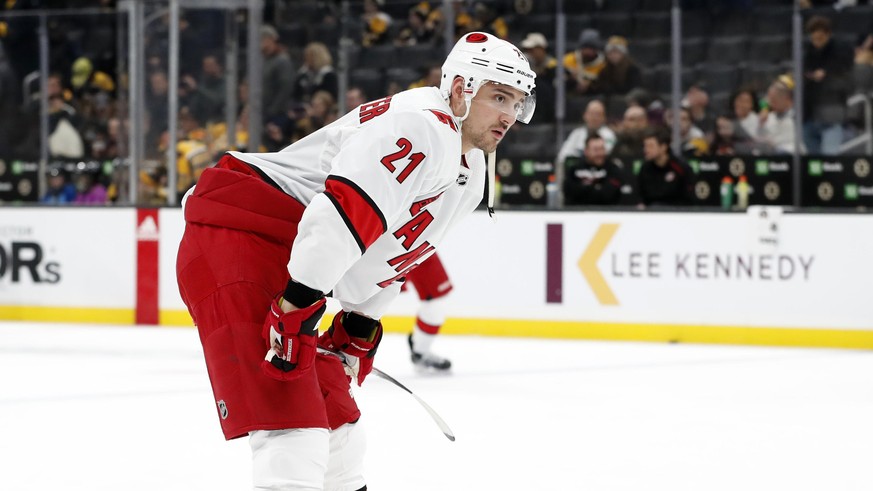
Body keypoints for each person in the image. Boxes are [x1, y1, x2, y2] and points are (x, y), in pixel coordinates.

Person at [175, 32, 535, 491]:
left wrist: (359, 325)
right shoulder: (421, 126)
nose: (510, 114)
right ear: (462, 87)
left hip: (295, 257)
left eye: (518, 102)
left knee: (340, 430)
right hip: (241, 236)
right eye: (499, 96)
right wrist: (297, 306)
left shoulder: (472, 165)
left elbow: (397, 251)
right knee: (293, 431)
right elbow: (338, 217)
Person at [802, 15, 853, 155]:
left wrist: (825, 74)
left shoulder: (841, 51)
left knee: (829, 159)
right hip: (809, 115)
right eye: (814, 38)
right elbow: (804, 74)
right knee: (813, 162)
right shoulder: (808, 53)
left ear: (828, 34)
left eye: (820, 38)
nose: (817, 42)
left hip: (831, 114)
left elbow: (843, 74)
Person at [404, 252, 455, 371]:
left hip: (419, 243)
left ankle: (420, 352)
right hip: (379, 243)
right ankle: (354, 349)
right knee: (366, 294)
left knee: (436, 303)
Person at [638, 127, 694, 207]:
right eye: (645, 146)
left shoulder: (681, 167)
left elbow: (688, 197)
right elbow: (641, 196)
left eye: (650, 146)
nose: (646, 150)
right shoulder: (645, 168)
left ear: (663, 147)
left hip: (677, 213)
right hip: (651, 213)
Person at [563, 133, 625, 205]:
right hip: (578, 213)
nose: (600, 153)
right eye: (596, 150)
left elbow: (608, 195)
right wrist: (597, 188)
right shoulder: (574, 169)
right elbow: (570, 193)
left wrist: (585, 188)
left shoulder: (613, 169)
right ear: (586, 151)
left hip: (607, 213)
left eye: (602, 149)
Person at [557, 99, 616, 166]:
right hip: (577, 170)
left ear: (604, 118)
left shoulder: (609, 135)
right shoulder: (576, 134)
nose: (594, 118)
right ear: (585, 115)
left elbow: (604, 155)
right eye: (591, 114)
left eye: (598, 114)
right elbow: (562, 156)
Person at [757, 74, 804, 154]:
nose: (771, 103)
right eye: (770, 99)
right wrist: (761, 122)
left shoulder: (798, 116)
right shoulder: (768, 118)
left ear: (788, 100)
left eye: (774, 100)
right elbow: (760, 140)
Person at [261, 25, 296, 122]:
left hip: (277, 115)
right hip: (263, 112)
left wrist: (273, 111)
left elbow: (285, 88)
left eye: (262, 40)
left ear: (270, 39)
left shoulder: (282, 61)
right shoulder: (263, 60)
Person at [520, 32, 557, 123]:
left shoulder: (554, 67)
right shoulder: (525, 67)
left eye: (532, 50)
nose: (529, 53)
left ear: (541, 49)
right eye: (527, 50)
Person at [563, 28, 606, 95]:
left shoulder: (603, 64)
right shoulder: (567, 60)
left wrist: (590, 85)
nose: (588, 51)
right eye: (585, 47)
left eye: (591, 48)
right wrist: (570, 80)